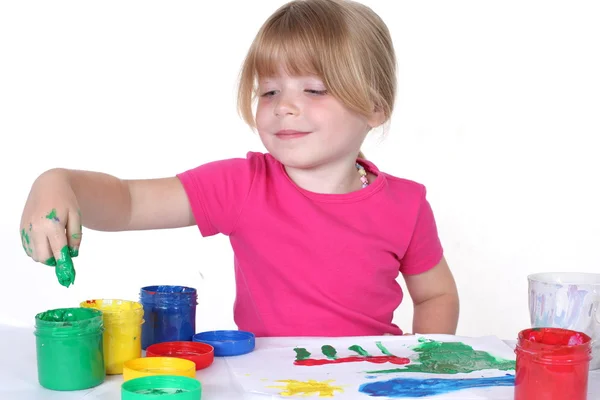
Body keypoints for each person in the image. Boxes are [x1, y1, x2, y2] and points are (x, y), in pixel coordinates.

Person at [19, 0, 459, 337]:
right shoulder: (242, 185)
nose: (284, 107)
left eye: (314, 89)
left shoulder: (407, 203)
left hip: (367, 382)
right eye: (268, 91)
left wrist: (422, 364)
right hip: (264, 386)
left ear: (376, 108)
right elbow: (129, 203)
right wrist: (59, 183)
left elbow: (436, 293)